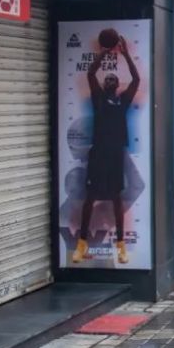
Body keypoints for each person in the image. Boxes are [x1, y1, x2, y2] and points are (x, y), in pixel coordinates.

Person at [72, 35, 140, 265]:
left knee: (116, 198)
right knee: (90, 197)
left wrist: (126, 54)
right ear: (103, 85)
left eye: (114, 79)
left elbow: (136, 79)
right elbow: (91, 73)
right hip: (99, 153)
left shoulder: (123, 102)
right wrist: (105, 51)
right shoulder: (98, 99)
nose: (111, 80)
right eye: (108, 78)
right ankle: (81, 245)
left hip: (115, 155)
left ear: (116, 86)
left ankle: (121, 245)